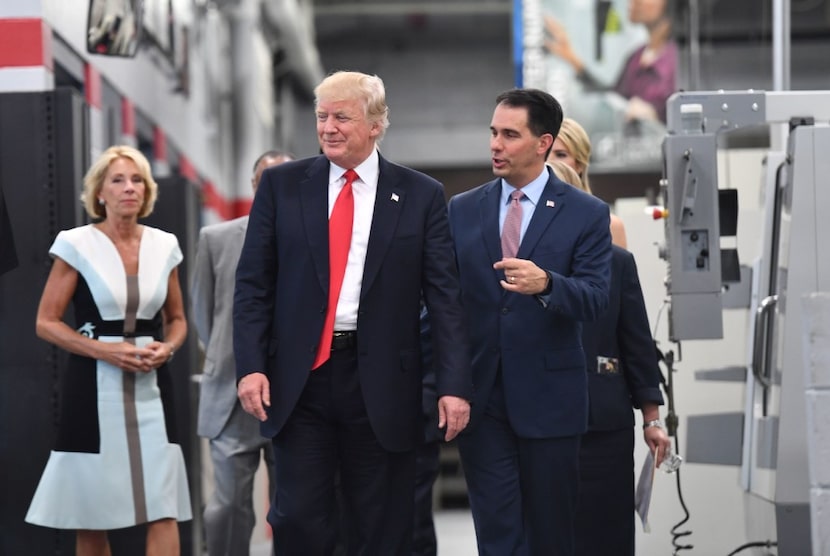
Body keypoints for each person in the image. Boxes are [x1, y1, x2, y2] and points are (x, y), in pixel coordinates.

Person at [233, 70, 473, 556]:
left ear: (377, 124)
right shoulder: (282, 186)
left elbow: (445, 297)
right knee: (298, 516)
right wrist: (251, 366)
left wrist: (453, 386)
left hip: (382, 383)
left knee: (380, 521)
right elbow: (254, 285)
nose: (328, 128)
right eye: (322, 116)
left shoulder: (421, 195)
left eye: (342, 116)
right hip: (301, 379)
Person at [448, 88, 612, 556]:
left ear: (543, 143)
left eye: (510, 135)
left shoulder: (586, 213)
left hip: (550, 401)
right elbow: (443, 303)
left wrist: (548, 285)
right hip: (483, 400)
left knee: (551, 536)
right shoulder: (463, 208)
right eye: (493, 133)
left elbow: (597, 299)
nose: (496, 145)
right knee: (497, 536)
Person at [25, 145, 191, 555]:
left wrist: (168, 349)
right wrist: (103, 351)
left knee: (163, 505)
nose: (128, 188)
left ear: (147, 191)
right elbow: (46, 322)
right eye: (117, 180)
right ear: (100, 191)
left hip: (154, 388)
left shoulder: (164, 245)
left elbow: (177, 319)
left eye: (137, 180)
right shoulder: (76, 243)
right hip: (92, 386)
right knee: (93, 510)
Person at [550, 153, 672, 556]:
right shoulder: (517, 268)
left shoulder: (616, 263)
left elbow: (635, 341)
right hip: (538, 422)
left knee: (606, 531)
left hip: (602, 420)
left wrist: (652, 417)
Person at [191, 149, 293, 556]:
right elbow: (204, 313)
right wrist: (231, 359)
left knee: (294, 510)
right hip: (231, 396)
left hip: (296, 397)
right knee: (228, 507)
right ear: (253, 188)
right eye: (267, 182)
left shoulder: (319, 240)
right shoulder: (215, 239)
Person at [545, 0, 677, 124]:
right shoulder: (636, 56)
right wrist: (572, 60)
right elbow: (615, 99)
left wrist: (655, 119)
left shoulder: (680, 60)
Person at [547, 117, 628, 248]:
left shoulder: (609, 225)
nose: (549, 162)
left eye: (561, 155)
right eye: (544, 154)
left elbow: (617, 268)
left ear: (579, 164)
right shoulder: (522, 218)